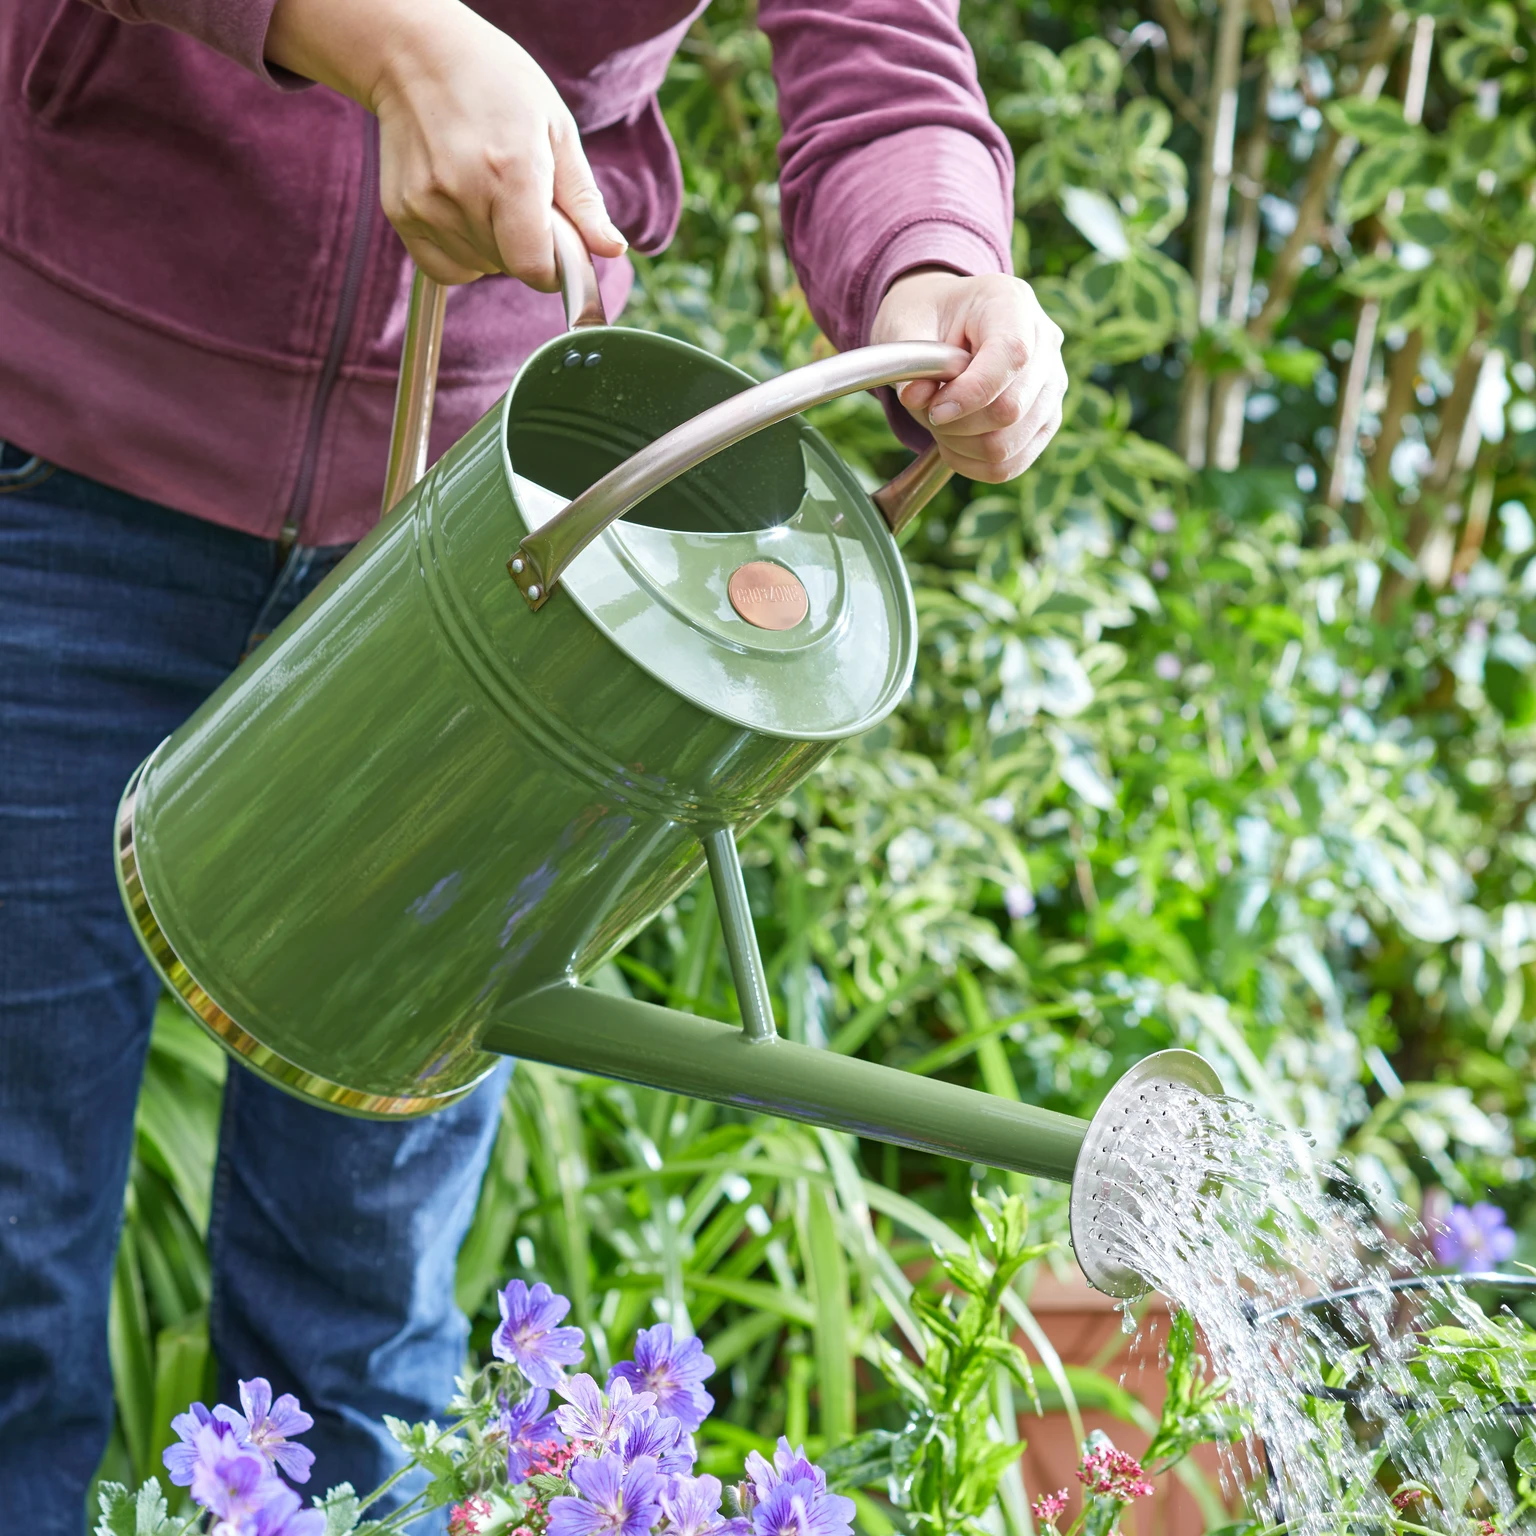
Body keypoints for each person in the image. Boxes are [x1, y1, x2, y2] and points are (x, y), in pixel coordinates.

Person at [0, 0, 1066, 1525]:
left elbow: (876, 44)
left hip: (493, 546)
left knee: (357, 1335)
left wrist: (943, 262)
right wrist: (378, 34)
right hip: (63, 454)